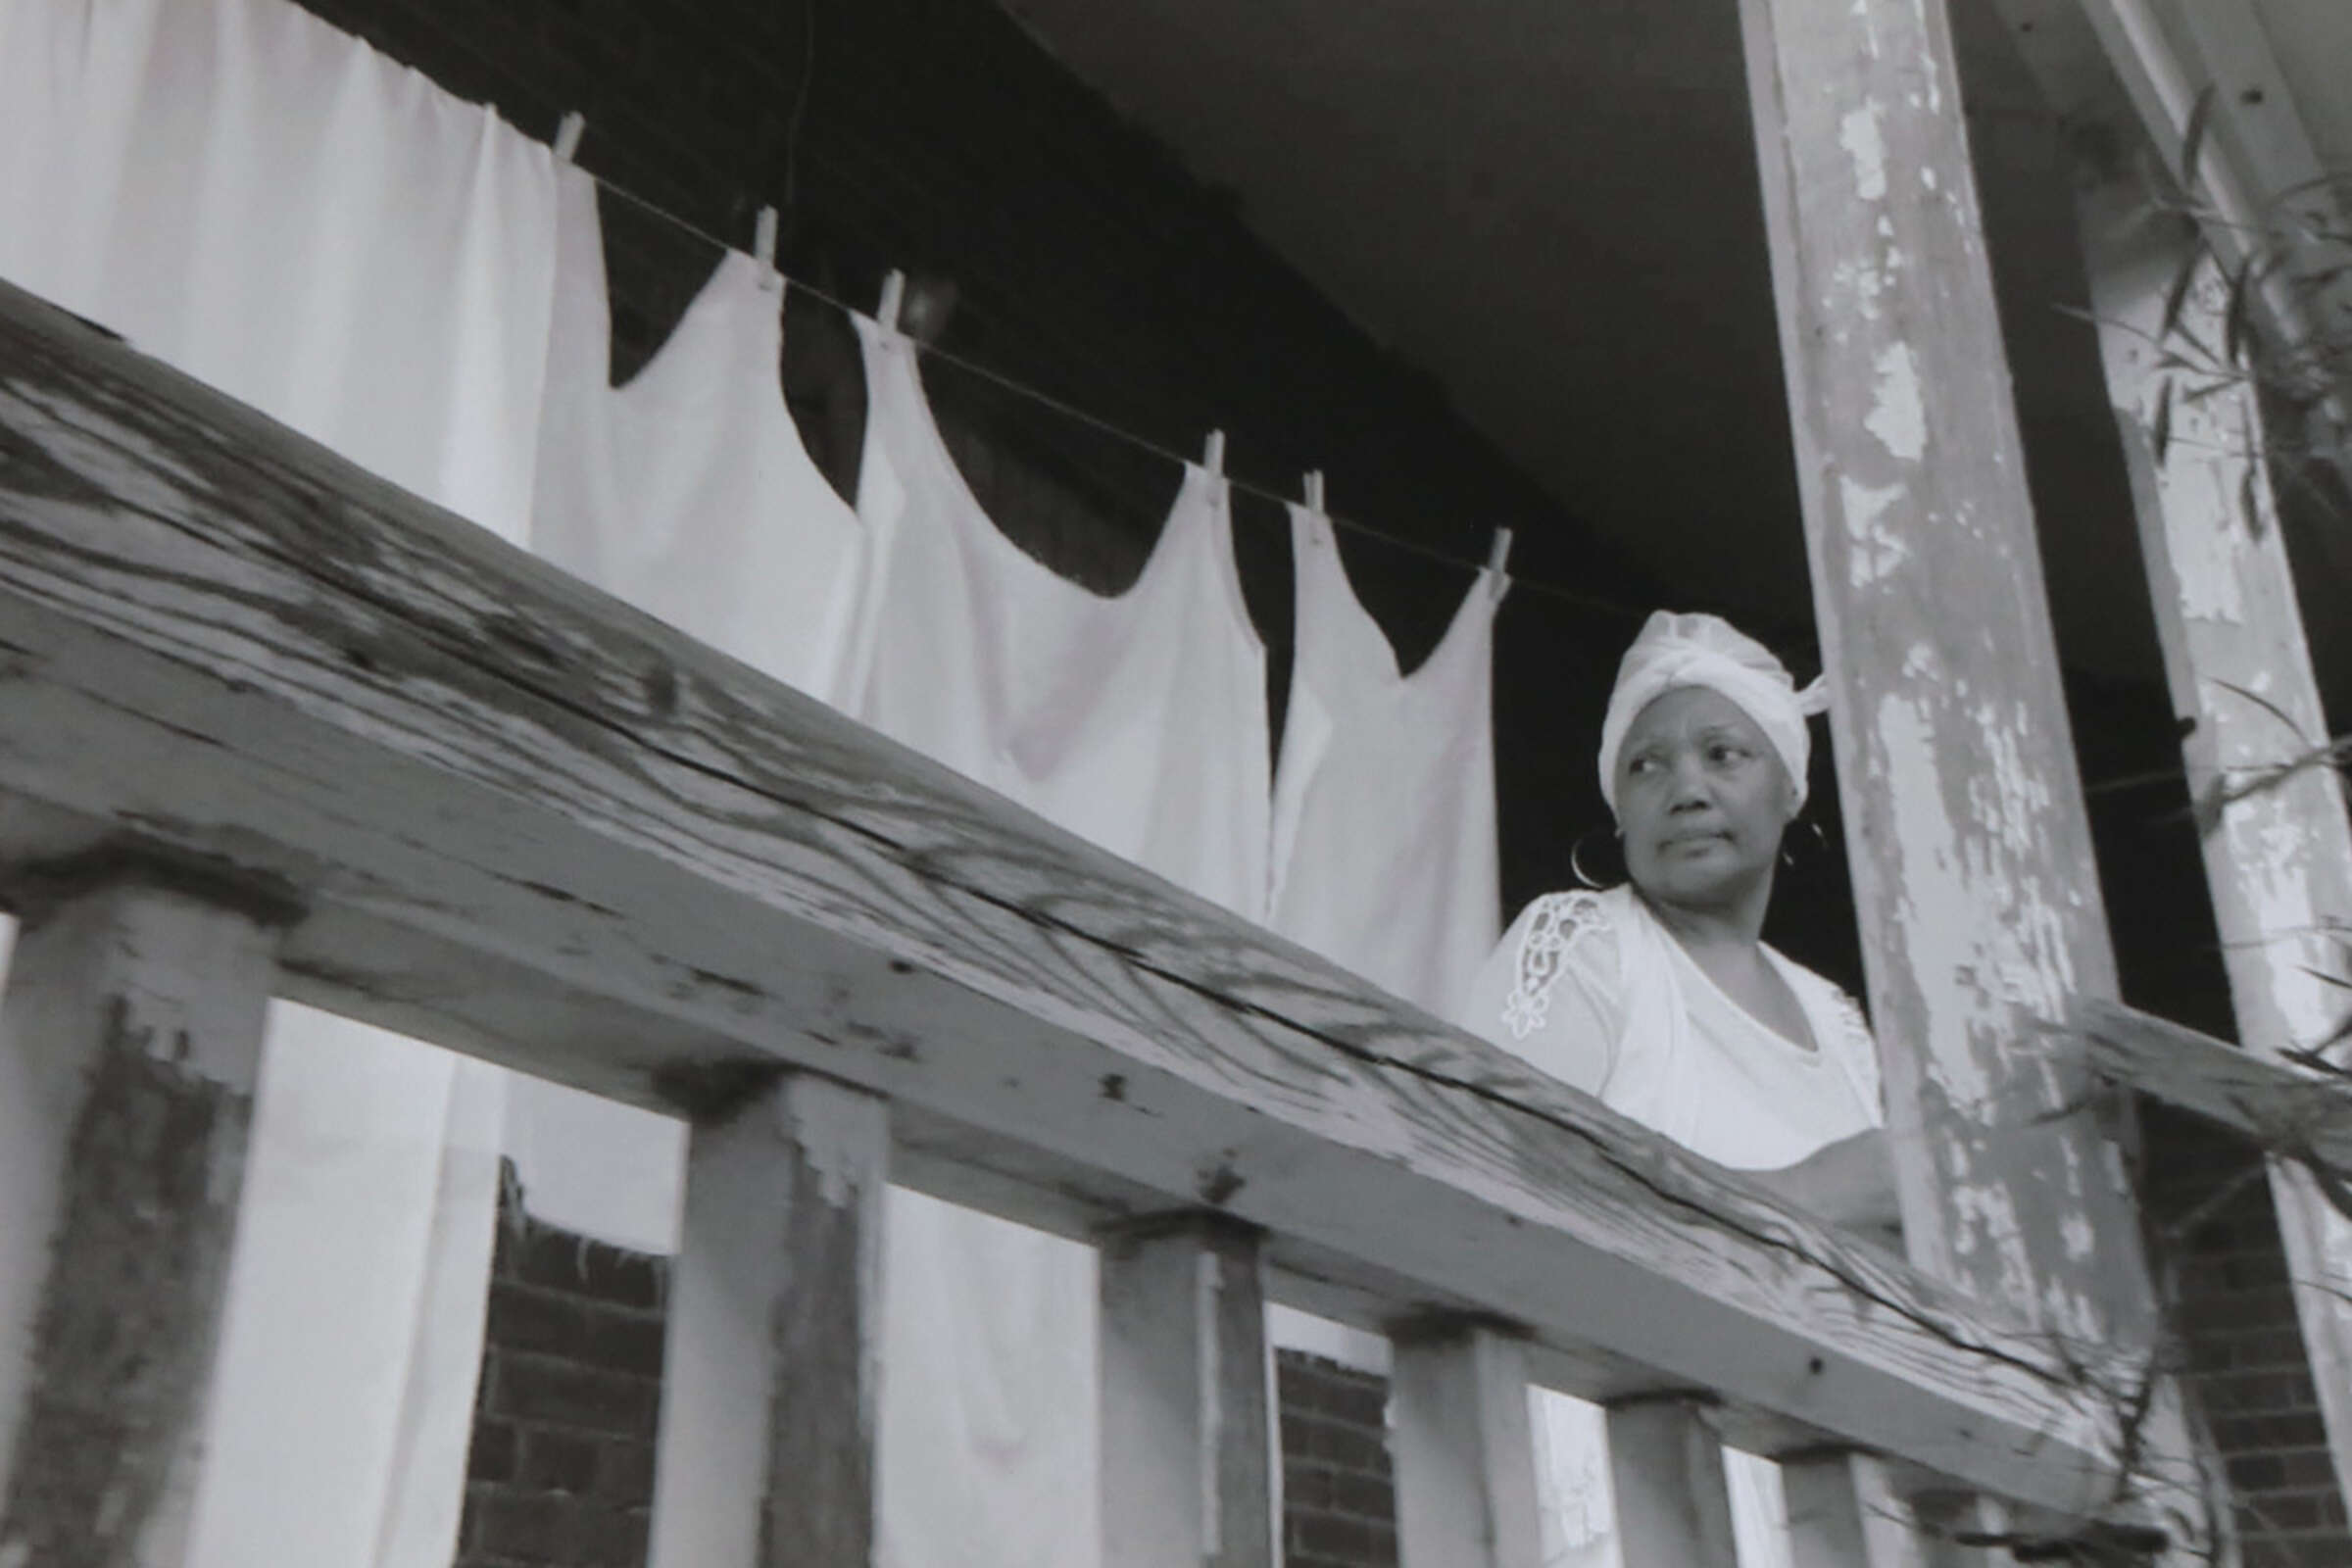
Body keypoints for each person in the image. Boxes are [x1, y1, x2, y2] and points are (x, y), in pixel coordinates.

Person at [1456, 610, 1897, 1567]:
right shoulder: (1581, 945)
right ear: (1619, 809)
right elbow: (1492, 1188)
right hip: (1633, 1479)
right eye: (1646, 765)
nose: (1684, 786)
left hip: (1823, 1494)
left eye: (1722, 752)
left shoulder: (1838, 1021)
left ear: (1789, 787)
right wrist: (1810, 1197)